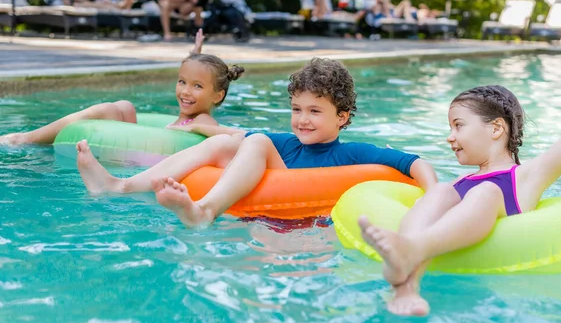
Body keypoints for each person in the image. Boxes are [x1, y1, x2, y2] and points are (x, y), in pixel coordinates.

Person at [74, 58, 438, 226]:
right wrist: (196, 129)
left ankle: (204, 211)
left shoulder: (353, 153)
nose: (302, 120)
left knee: (257, 141)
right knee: (235, 142)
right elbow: (232, 137)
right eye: (296, 109)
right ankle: (119, 186)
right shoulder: (287, 144)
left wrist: (434, 195)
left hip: (304, 224)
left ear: (342, 117)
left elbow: (412, 161)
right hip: (260, 218)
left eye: (315, 111)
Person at [358, 85, 561, 317]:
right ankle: (406, 288)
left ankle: (413, 249)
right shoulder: (457, 183)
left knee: (486, 190)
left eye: (458, 125)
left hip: (494, 284)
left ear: (496, 128)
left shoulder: (526, 177)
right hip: (445, 273)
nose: (450, 137)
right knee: (440, 191)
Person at [0, 31, 243, 145]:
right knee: (123, 106)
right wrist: (195, 55)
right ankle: (31, 137)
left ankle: (26, 138)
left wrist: (201, 127)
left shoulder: (203, 120)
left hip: (138, 155)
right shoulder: (195, 110)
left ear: (218, 95)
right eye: (182, 82)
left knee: (112, 109)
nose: (186, 92)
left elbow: (226, 135)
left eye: (197, 86)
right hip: (138, 142)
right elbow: (195, 77)